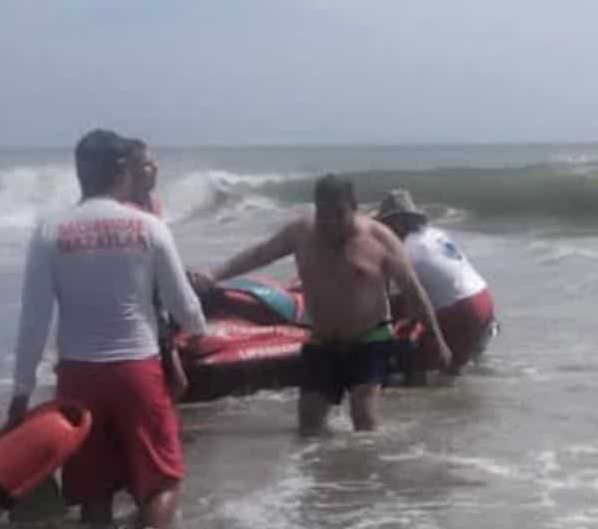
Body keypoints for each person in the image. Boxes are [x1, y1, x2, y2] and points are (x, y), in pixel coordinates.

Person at [10, 129, 207, 529]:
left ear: (79, 171)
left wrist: (20, 392)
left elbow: (33, 321)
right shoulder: (148, 227)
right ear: (123, 171)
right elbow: (185, 307)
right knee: (160, 483)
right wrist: (197, 331)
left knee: (92, 492)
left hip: (78, 376)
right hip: (137, 369)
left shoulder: (50, 231)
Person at [191, 174, 452, 435]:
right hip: (322, 340)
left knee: (363, 413)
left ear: (354, 206)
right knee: (309, 421)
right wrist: (215, 275)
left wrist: (437, 340)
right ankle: (321, 474)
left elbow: (414, 291)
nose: (331, 223)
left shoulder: (379, 238)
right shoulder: (301, 233)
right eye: (324, 214)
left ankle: (371, 472)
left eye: (339, 214)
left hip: (370, 338)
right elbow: (259, 255)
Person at [375, 189, 496, 371]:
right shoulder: (436, 234)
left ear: (398, 223)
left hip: (461, 309)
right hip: (484, 299)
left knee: (417, 363)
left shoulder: (403, 249)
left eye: (386, 225)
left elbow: (399, 302)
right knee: (456, 359)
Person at [124, 136, 193, 403]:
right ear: (127, 171)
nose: (155, 169)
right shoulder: (124, 210)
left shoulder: (153, 203)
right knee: (176, 382)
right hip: (141, 302)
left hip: (157, 295)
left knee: (176, 380)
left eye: (154, 163)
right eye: (146, 165)